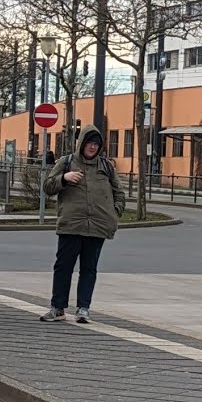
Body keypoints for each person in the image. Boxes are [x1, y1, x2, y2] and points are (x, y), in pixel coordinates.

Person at [39, 125, 125, 324]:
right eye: (89, 143)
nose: (92, 147)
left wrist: (114, 213)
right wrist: (64, 178)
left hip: (98, 226)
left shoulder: (106, 167)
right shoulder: (66, 162)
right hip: (71, 224)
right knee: (63, 267)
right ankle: (58, 308)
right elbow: (48, 187)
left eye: (96, 144)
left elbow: (119, 193)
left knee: (89, 269)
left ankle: (83, 309)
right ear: (81, 144)